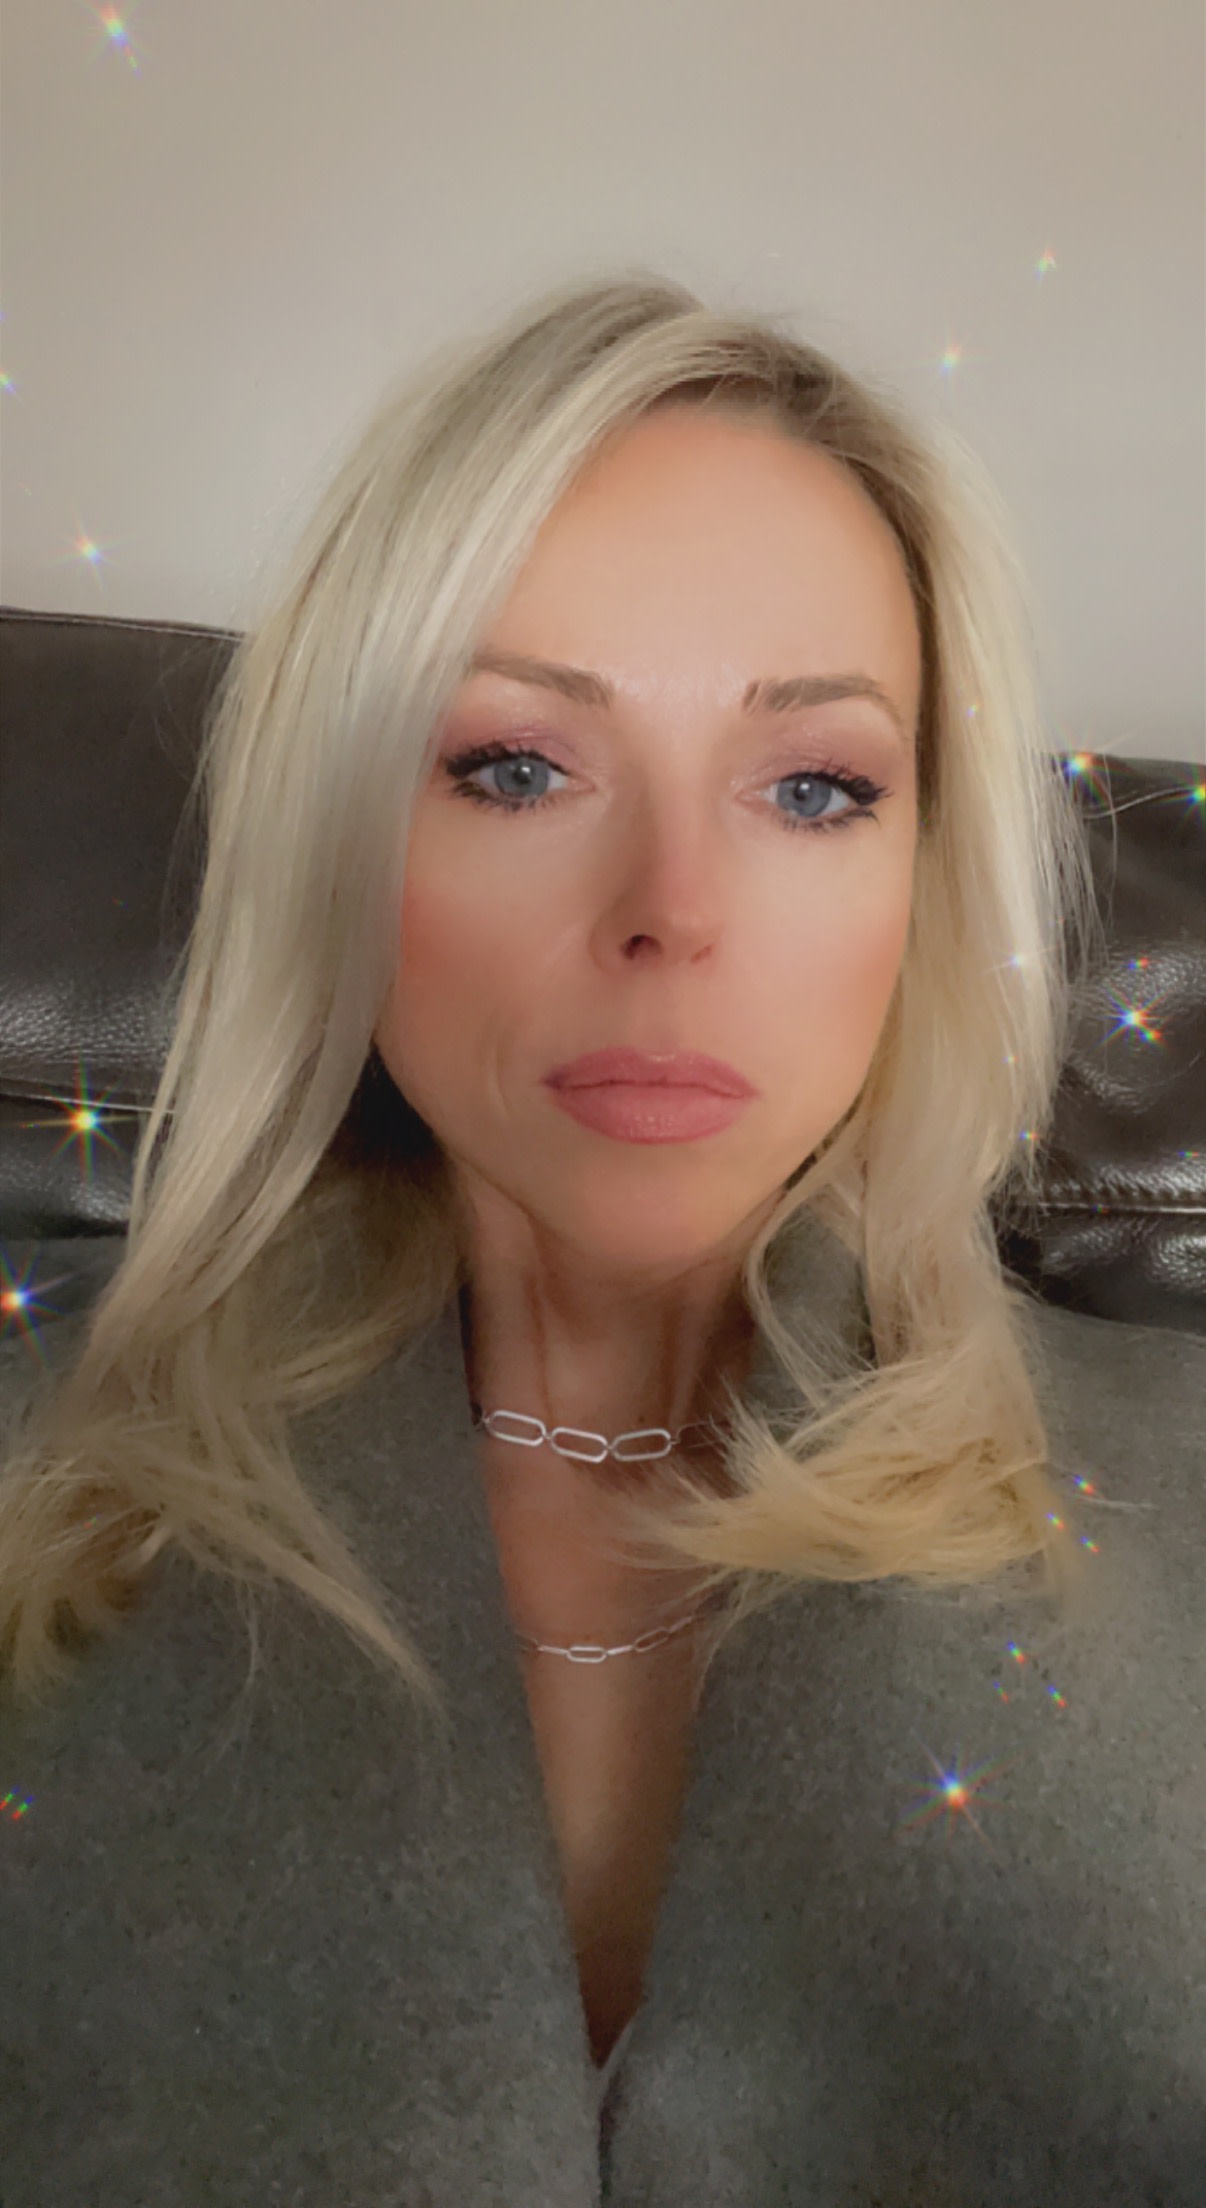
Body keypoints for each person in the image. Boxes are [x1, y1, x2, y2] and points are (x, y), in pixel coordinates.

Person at [1, 273, 1202, 2205]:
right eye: (516, 766)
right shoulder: (36, 1491)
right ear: (340, 838)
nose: (670, 908)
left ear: (923, 875)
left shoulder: (1179, 1484)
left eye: (812, 787)